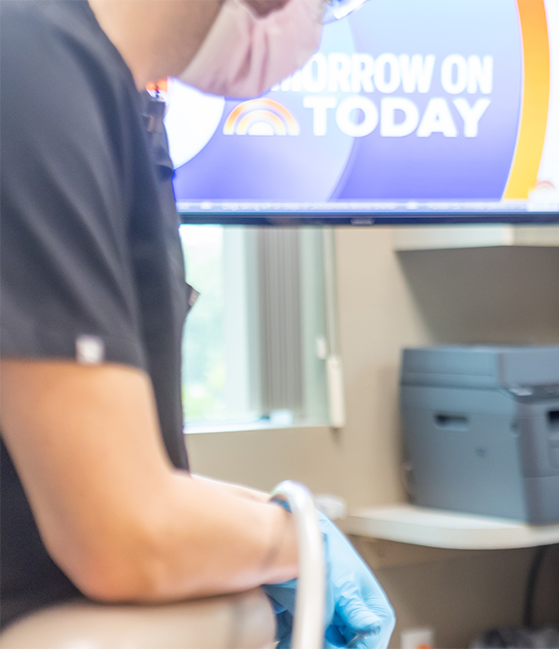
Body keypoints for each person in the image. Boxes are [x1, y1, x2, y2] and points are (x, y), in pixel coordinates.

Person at [0, 0, 394, 647]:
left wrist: (275, 523)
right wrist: (297, 544)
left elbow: (101, 463)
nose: (318, 24)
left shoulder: (101, 97)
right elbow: (124, 533)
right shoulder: (32, 61)